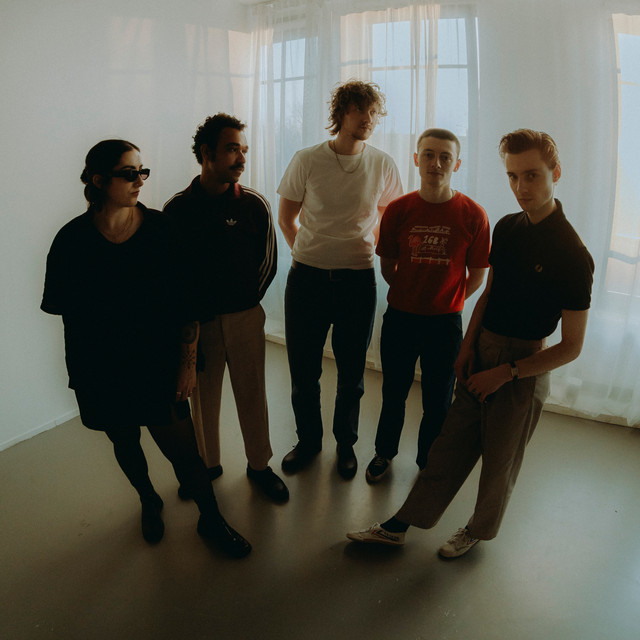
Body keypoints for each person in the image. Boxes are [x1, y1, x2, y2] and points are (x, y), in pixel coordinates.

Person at [348, 129, 594, 557]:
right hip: (482, 350)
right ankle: (400, 525)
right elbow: (488, 294)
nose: (521, 187)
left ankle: (477, 530)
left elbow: (571, 346)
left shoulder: (572, 253)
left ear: (556, 173)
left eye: (532, 175)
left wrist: (506, 373)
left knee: (500, 460)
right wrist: (468, 347)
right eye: (513, 176)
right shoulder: (509, 226)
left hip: (523, 365)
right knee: (448, 447)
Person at [42, 139, 251, 558]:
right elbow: (68, 313)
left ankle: (211, 518)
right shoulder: (72, 240)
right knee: (124, 441)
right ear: (99, 181)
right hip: (100, 368)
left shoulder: (162, 230)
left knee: (184, 452)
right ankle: (148, 499)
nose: (139, 180)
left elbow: (189, 304)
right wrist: (84, 372)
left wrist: (187, 365)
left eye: (142, 171)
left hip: (157, 364)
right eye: (128, 174)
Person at [277, 80, 403, 479]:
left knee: (352, 376)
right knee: (304, 373)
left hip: (357, 282)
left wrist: (364, 248)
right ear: (341, 113)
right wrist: (309, 252)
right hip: (306, 280)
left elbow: (390, 218)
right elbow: (286, 217)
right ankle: (308, 442)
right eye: (359, 110)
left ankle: (345, 445)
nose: (368, 119)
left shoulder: (382, 163)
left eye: (373, 112)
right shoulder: (307, 159)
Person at [163, 114, 288, 503]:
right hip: (197, 325)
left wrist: (245, 303)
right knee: (202, 399)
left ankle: (259, 466)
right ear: (207, 153)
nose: (241, 158)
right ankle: (207, 465)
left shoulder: (254, 204)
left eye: (244, 150)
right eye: (232, 149)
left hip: (245, 317)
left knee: (252, 393)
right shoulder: (176, 210)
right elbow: (169, 272)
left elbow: (268, 261)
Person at [365, 128, 490, 483]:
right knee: (393, 393)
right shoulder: (399, 210)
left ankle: (428, 461)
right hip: (401, 319)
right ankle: (384, 452)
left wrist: (448, 300)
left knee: (438, 400)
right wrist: (411, 293)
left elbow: (478, 274)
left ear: (457, 164)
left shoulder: (473, 215)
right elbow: (387, 265)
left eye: (445, 157)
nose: (436, 163)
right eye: (429, 155)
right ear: (416, 159)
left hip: (445, 324)